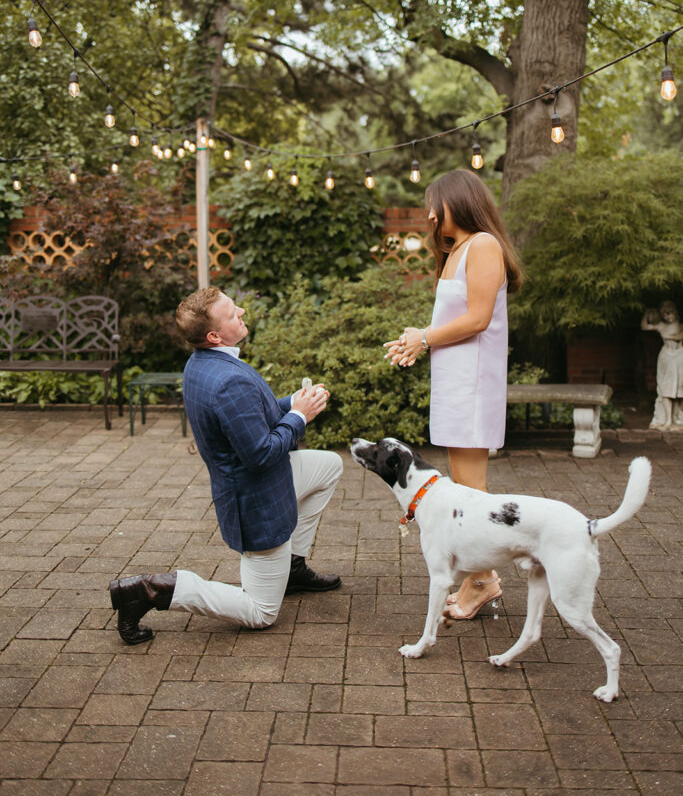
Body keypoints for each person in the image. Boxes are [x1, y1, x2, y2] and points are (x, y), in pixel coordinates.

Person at [109, 286, 343, 645]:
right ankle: (151, 590)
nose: (243, 313)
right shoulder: (228, 379)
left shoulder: (203, 364)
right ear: (214, 335)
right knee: (262, 612)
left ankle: (292, 568)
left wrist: (289, 403)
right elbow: (262, 453)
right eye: (233, 313)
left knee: (328, 466)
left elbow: (244, 417)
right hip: (256, 503)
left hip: (258, 483)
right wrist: (299, 417)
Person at [384, 168, 522, 621]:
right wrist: (416, 341)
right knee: (465, 488)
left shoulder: (483, 245)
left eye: (433, 204)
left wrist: (424, 336)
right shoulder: (459, 249)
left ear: (457, 201)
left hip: (472, 385)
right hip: (454, 382)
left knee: (471, 491)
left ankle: (482, 583)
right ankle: (481, 581)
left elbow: (479, 318)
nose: (428, 214)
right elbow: (450, 323)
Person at [641, 301, 683, 430]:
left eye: (669, 313)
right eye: (664, 314)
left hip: (679, 356)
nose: (667, 317)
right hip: (666, 357)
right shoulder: (662, 326)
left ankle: (677, 418)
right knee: (665, 388)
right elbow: (645, 327)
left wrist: (667, 334)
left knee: (678, 390)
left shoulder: (680, 327)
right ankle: (667, 420)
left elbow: (677, 336)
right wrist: (647, 312)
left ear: (675, 313)